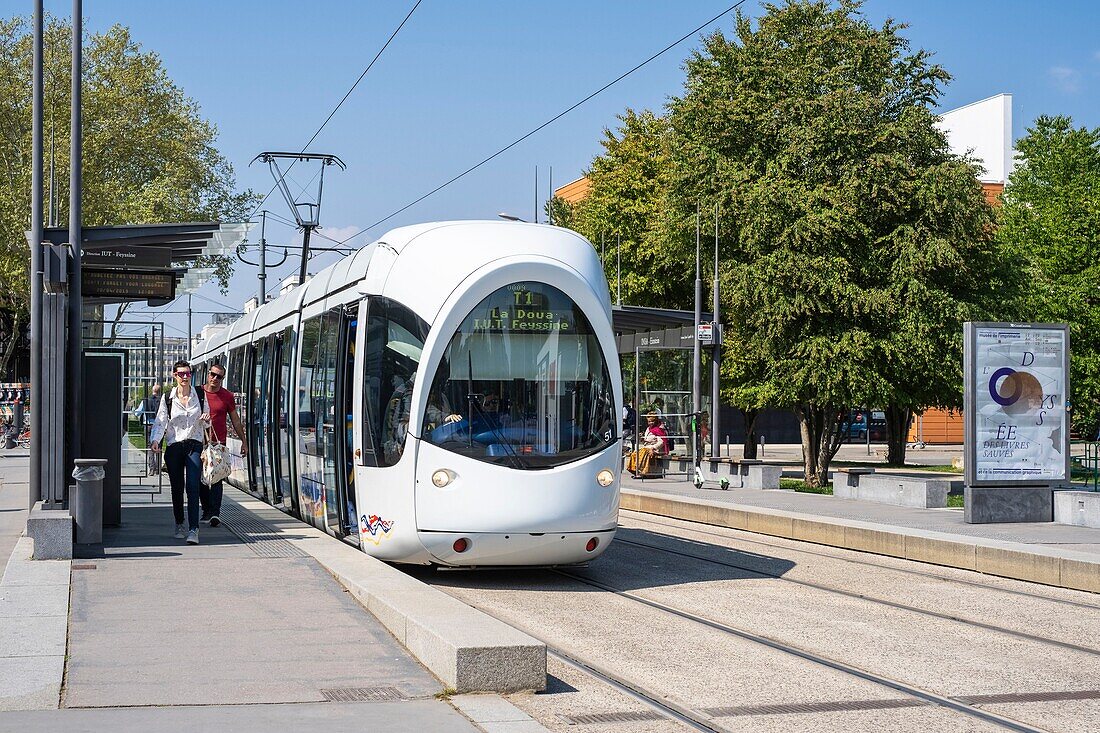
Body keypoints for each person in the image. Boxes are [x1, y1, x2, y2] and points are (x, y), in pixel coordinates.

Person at [150, 361, 207, 545]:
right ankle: (179, 523)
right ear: (174, 375)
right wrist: (156, 440)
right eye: (181, 374)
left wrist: (206, 419)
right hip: (174, 446)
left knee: (193, 486)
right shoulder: (168, 397)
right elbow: (161, 421)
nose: (184, 377)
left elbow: (207, 423)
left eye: (187, 374)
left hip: (194, 445)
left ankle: (193, 529)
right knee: (177, 488)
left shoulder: (200, 395)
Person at [199, 362, 246, 528]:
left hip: (218, 444)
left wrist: (244, 441)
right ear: (208, 374)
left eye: (219, 376)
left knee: (217, 477)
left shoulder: (227, 396)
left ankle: (215, 513)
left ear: (223, 378)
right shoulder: (198, 393)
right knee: (202, 479)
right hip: (200, 443)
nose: (215, 378)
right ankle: (206, 509)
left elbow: (235, 420)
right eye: (213, 374)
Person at [135, 384, 162, 476]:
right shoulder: (162, 400)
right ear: (159, 391)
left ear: (152, 391)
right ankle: (158, 468)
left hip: (148, 425)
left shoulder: (145, 401)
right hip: (159, 426)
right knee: (159, 446)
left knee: (150, 447)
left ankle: (152, 468)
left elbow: (137, 413)